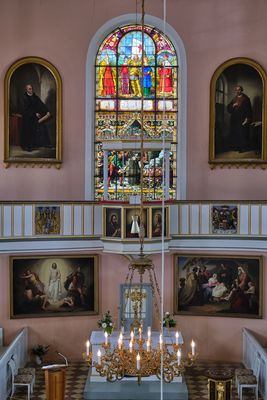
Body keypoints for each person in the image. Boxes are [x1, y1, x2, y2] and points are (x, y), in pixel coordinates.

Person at [21, 84, 51, 151]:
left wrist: (47, 111)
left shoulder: (35, 97)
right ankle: (28, 146)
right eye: (29, 89)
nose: (31, 90)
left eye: (31, 88)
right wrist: (34, 114)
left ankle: (42, 144)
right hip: (27, 118)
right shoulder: (24, 98)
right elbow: (25, 109)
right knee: (28, 130)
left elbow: (41, 104)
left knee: (41, 127)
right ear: (26, 90)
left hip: (35, 117)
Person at [227, 85, 252, 152]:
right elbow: (229, 108)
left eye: (239, 90)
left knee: (242, 133)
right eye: (236, 90)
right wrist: (233, 105)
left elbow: (249, 110)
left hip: (242, 118)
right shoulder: (234, 99)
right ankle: (236, 147)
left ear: (241, 90)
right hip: (235, 119)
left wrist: (247, 118)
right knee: (235, 133)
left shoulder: (246, 99)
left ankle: (243, 148)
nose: (238, 91)